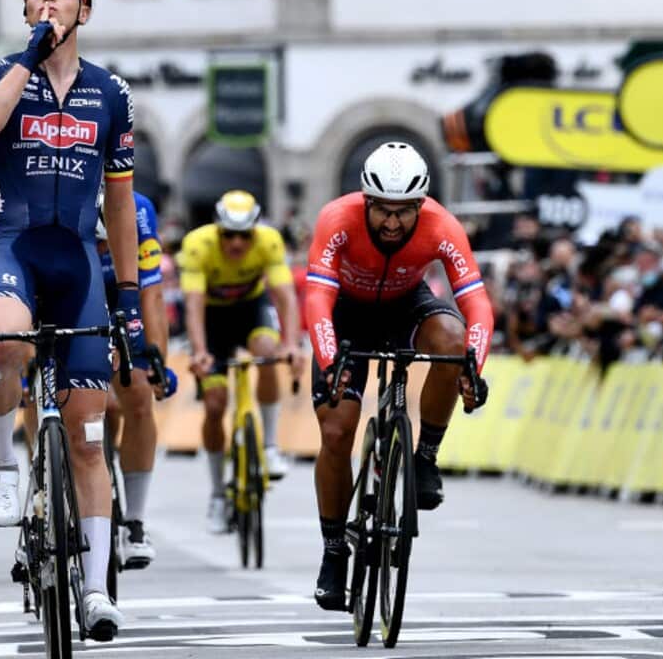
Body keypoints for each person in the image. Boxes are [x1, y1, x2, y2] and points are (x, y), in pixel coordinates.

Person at [0, 0, 140, 640]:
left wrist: (127, 298)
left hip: (80, 259)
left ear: (85, 9)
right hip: (17, 244)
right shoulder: (0, 74)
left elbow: (120, 207)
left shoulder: (110, 93)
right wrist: (27, 60)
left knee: (89, 437)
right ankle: (2, 461)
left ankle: (94, 591)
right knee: (4, 345)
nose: (50, 1)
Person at [305, 141, 492, 611]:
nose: (392, 223)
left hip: (405, 305)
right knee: (336, 430)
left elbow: (477, 305)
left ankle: (425, 456)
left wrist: (474, 366)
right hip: (346, 313)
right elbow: (317, 303)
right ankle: (333, 551)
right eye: (383, 211)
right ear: (366, 202)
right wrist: (331, 365)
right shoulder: (336, 219)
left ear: (420, 205)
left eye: (404, 212)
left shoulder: (442, 225)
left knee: (452, 343)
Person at [176, 190, 303, 534]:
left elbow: (286, 299)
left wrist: (291, 344)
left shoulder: (269, 242)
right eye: (228, 235)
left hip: (250, 310)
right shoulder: (197, 244)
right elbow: (193, 307)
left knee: (267, 351)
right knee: (215, 405)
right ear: (217, 230)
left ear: (255, 231)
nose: (235, 243)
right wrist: (200, 352)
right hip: (212, 322)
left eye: (244, 235)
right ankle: (218, 494)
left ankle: (271, 446)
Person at [93, 189, 176, 569]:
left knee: (138, 397)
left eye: (106, 243)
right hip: (70, 291)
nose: (103, 250)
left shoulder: (139, 210)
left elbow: (153, 296)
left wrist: (158, 360)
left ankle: (135, 523)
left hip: (125, 296)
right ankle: (44, 503)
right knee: (45, 387)